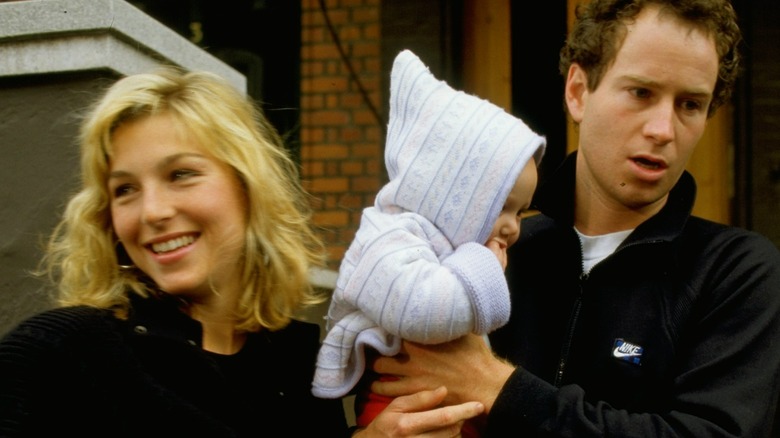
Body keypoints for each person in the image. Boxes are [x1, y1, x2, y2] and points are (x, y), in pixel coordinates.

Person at [368, 0, 780, 436]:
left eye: (690, 105)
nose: (664, 129)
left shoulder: (735, 273)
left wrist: (500, 389)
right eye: (641, 93)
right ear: (578, 92)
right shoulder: (482, 259)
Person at [0, 67, 353, 436]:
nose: (152, 211)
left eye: (181, 174)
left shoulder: (301, 366)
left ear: (248, 186)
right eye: (124, 189)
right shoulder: (59, 351)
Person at [312, 49, 545, 436]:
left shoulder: (448, 248)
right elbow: (422, 309)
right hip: (399, 411)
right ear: (453, 195)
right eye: (502, 208)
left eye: (520, 212)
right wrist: (482, 265)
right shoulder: (390, 236)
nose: (513, 227)